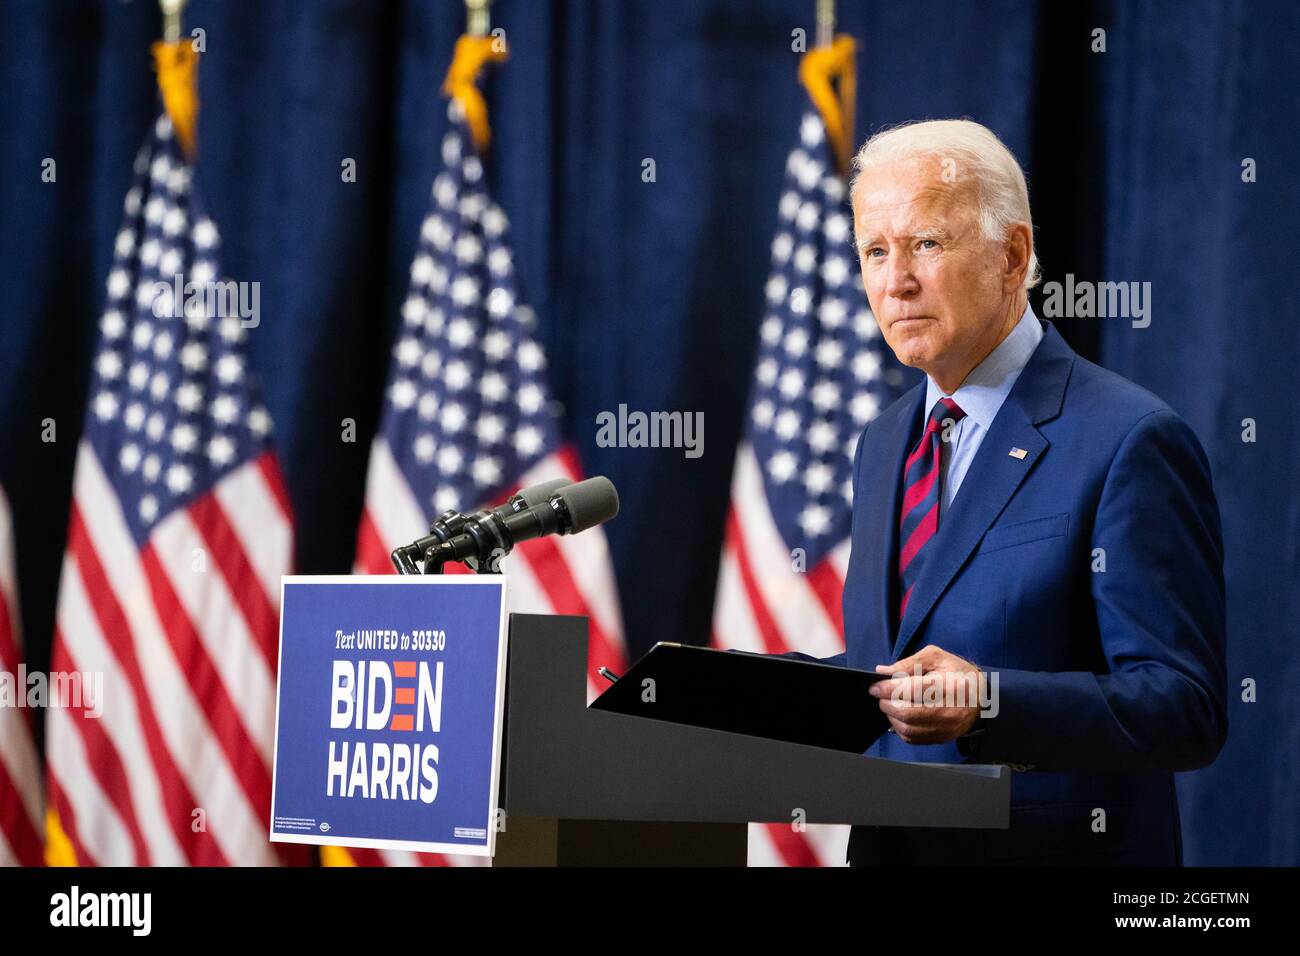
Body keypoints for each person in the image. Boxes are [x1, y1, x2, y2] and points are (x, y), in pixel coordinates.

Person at [829, 119, 1226, 865]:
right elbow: (886, 671)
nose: (895, 280)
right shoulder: (883, 443)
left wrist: (989, 702)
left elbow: (1185, 706)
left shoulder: (1129, 438)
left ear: (1012, 256)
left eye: (926, 244)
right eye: (874, 251)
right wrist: (719, 694)